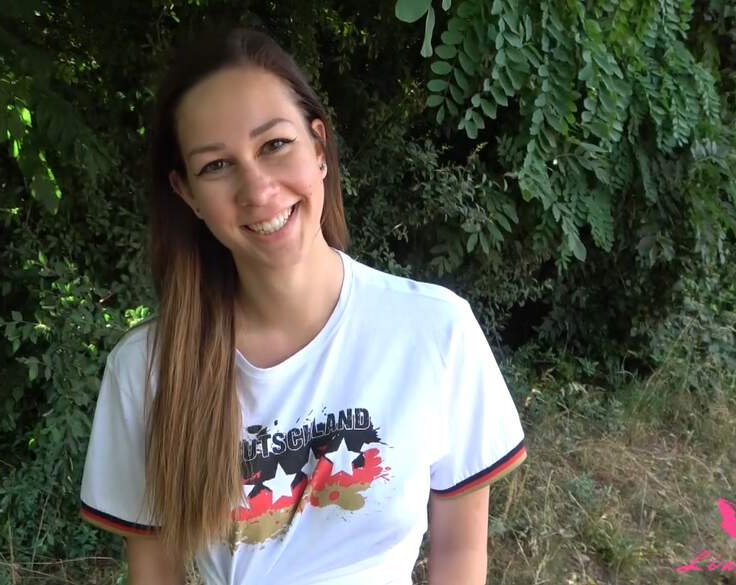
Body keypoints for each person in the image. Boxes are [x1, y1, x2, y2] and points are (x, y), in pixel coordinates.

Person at [79, 24, 527, 585]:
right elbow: (154, 573)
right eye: (216, 165)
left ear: (318, 147)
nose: (257, 190)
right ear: (187, 193)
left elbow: (460, 550)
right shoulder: (146, 370)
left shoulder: (436, 330)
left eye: (274, 145)